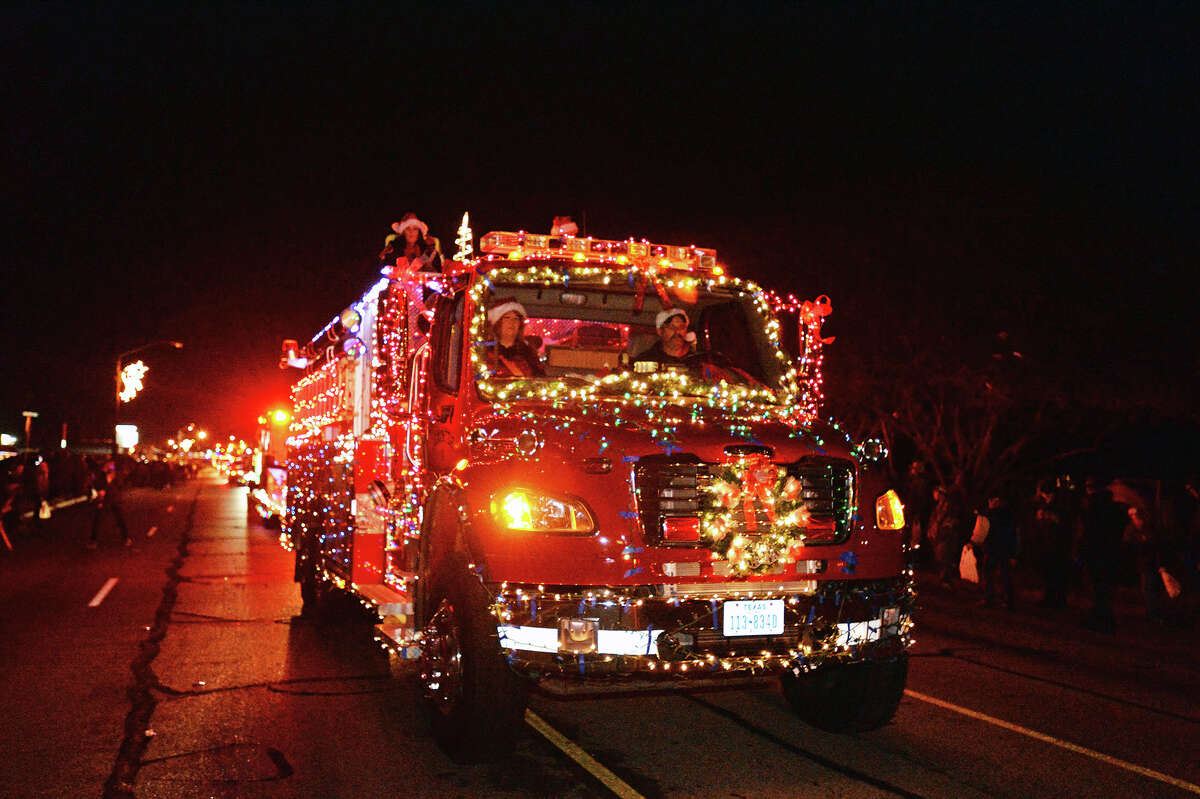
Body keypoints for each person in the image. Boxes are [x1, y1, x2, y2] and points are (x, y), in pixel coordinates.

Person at [1077, 476, 1126, 633]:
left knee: (1098, 586)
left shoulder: (1093, 506)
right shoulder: (1114, 507)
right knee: (1103, 587)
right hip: (1109, 552)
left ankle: (1102, 620)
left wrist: (1083, 549)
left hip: (1097, 551)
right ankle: (1103, 618)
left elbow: (1088, 530)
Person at [970, 494, 1019, 609]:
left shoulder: (1000, 515)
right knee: (993, 573)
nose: (990, 502)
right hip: (995, 548)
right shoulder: (998, 514)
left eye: (992, 500)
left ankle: (1000, 599)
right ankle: (995, 598)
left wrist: (1013, 553)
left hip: (999, 548)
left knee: (1001, 574)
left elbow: (1012, 534)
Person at [1031, 479, 1072, 609]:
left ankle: (1059, 600)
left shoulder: (1062, 505)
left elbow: (1064, 523)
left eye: (1047, 495)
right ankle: (1049, 597)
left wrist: (1050, 517)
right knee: (1048, 572)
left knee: (1058, 572)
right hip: (1047, 542)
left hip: (1059, 544)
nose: (1046, 497)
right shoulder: (1044, 504)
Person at [484, 298, 544, 378]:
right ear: (498, 323)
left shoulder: (529, 354)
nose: (512, 322)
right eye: (507, 318)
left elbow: (540, 379)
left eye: (516, 319)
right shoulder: (485, 353)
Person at [927, 483, 964, 588]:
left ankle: (946, 580)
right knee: (941, 557)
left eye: (936, 492)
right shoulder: (939, 506)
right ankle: (943, 579)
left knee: (945, 557)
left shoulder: (948, 506)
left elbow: (950, 522)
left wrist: (942, 531)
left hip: (946, 536)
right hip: (940, 535)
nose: (934, 494)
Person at [89, 459, 131, 548]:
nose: (111, 466)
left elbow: (120, 485)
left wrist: (112, 478)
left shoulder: (116, 474)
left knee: (120, 519)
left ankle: (126, 538)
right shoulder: (101, 474)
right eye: (109, 465)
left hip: (114, 499)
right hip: (103, 500)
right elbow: (97, 484)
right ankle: (93, 540)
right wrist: (104, 484)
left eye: (112, 465)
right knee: (98, 520)